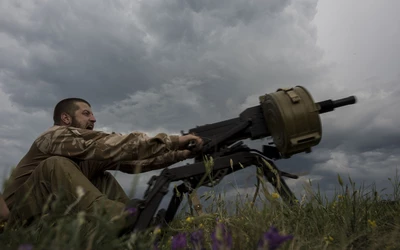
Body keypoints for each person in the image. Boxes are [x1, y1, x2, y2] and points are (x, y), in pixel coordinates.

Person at [1, 98, 203, 235]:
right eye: (86, 114)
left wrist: (184, 153)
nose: (94, 119)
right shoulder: (52, 137)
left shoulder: (81, 153)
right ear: (66, 118)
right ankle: (121, 218)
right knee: (55, 164)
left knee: (101, 174)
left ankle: (136, 224)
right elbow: (108, 144)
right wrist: (175, 140)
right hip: (16, 220)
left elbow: (136, 161)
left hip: (48, 216)